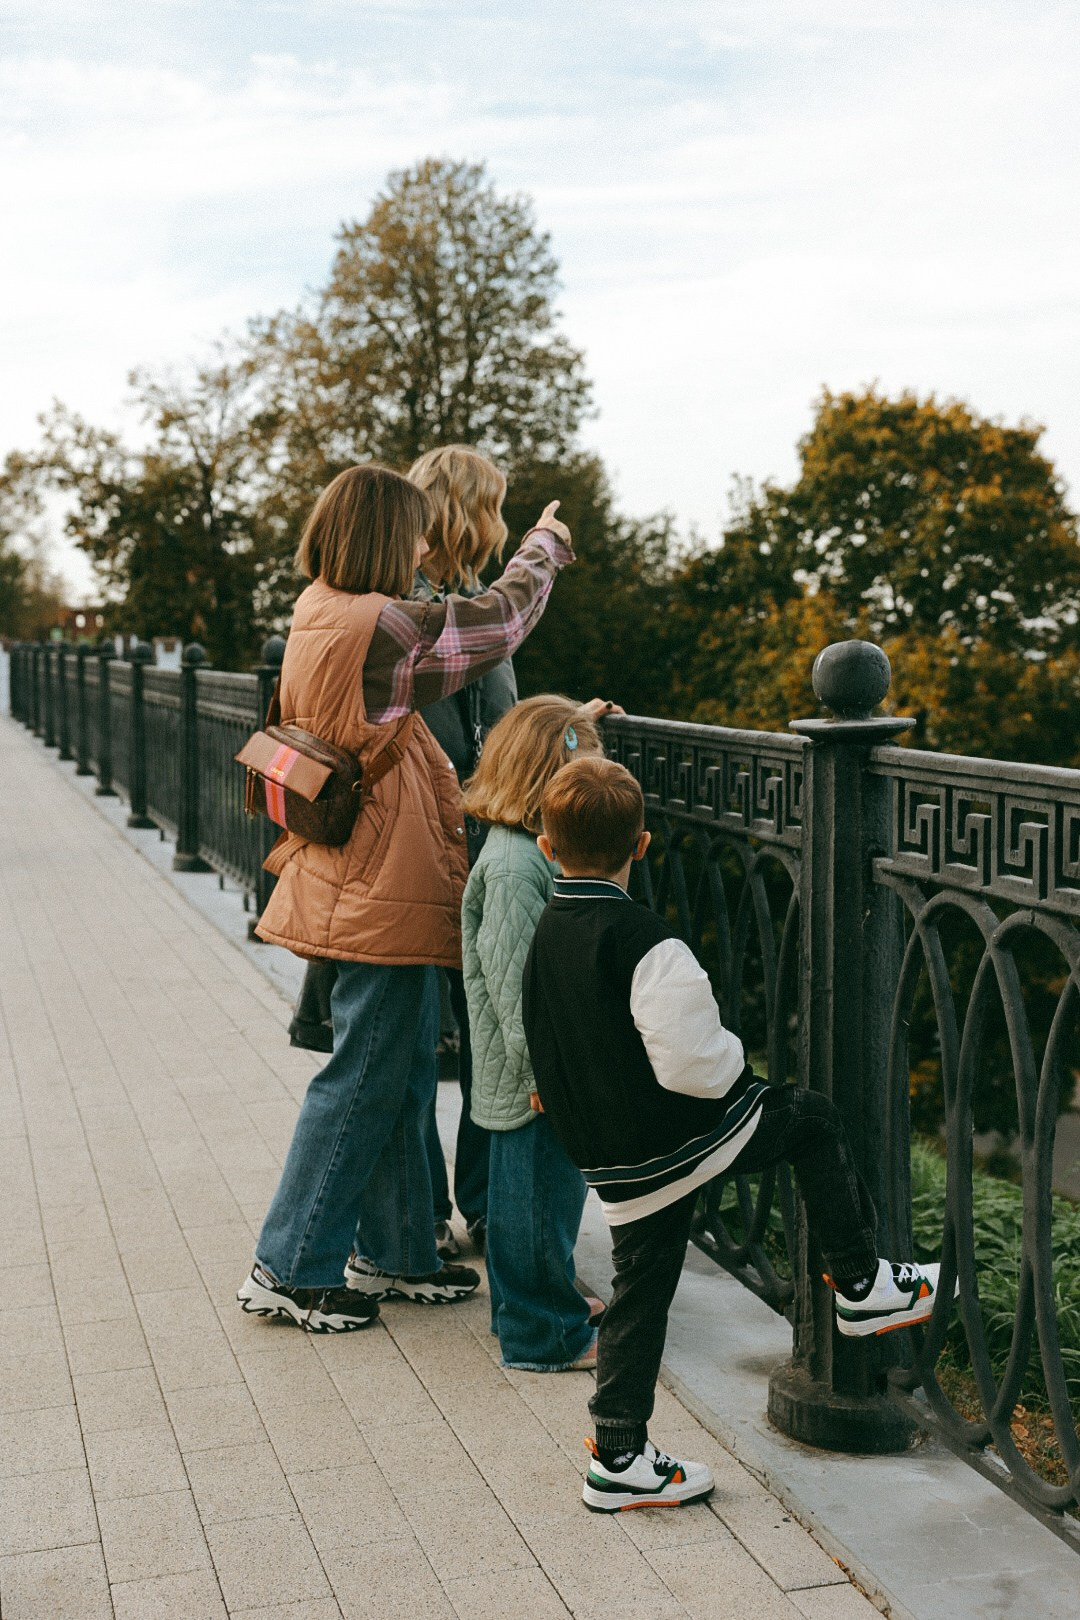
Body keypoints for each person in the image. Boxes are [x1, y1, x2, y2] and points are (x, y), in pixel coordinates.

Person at [521, 755, 950, 1510]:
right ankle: (862, 1284)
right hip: (676, 1137)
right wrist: (739, 1073)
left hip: (610, 1153)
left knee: (639, 1291)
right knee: (811, 1119)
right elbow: (695, 1064)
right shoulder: (645, 940)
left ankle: (618, 1454)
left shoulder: (548, 930)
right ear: (643, 845)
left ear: (548, 848)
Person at [237, 462, 574, 1333]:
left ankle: (394, 1253)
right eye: (416, 531)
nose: (427, 545)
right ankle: (289, 1264)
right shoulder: (380, 621)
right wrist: (542, 547)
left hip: (357, 864)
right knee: (362, 1078)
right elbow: (499, 624)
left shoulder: (317, 607)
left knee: (395, 1069)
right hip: (381, 876)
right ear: (388, 535)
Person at [460, 696, 617, 1372]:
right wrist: (540, 1077)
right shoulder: (518, 867)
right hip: (531, 1073)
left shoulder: (524, 851)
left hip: (540, 1064)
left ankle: (531, 1311)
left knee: (545, 1202)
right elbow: (512, 985)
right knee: (531, 1208)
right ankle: (540, 1335)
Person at [407, 444, 520, 1261]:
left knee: (486, 1029)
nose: (503, 522)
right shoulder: (409, 608)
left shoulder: (470, 599)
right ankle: (423, 1214)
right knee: (417, 1038)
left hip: (479, 840)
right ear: (466, 510)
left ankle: (477, 1206)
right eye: (495, 504)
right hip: (425, 845)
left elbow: (498, 728)